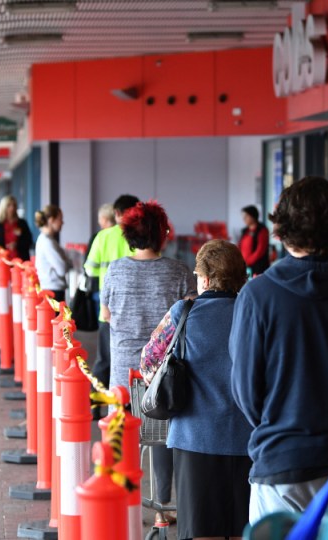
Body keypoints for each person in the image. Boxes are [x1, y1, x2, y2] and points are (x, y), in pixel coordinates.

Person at [229, 176, 328, 523]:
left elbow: (245, 390)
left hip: (282, 461)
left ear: (282, 227)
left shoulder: (258, 295)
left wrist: (281, 421)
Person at [141, 240, 253, 540]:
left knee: (202, 531)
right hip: (246, 439)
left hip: (194, 439)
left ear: (204, 278)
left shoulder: (184, 312)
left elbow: (148, 363)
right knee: (243, 528)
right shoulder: (253, 311)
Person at [101, 200, 196, 525]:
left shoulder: (115, 270)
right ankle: (162, 509)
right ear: (162, 234)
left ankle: (118, 502)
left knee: (120, 435)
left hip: (123, 375)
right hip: (162, 374)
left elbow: (106, 315)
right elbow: (190, 317)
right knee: (162, 436)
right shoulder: (179, 272)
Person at [85, 195, 139, 389]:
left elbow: (90, 269)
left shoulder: (103, 236)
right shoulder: (139, 236)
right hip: (134, 310)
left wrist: (106, 274)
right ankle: (130, 400)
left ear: (116, 213)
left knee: (105, 360)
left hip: (107, 309)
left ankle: (97, 400)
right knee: (134, 361)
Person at [0, 195, 33, 275]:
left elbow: (29, 241)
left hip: (20, 262)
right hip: (3, 262)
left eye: (14, 205)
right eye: (9, 205)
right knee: (3, 282)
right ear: (4, 207)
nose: (12, 208)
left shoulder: (22, 223)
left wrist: (17, 244)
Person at [34, 204, 72, 301]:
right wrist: (69, 263)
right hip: (53, 290)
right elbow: (62, 268)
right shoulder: (47, 242)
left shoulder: (47, 240)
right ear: (51, 220)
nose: (62, 222)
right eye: (60, 219)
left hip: (52, 288)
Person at [86, 204, 116, 319]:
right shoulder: (127, 235)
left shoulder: (101, 236)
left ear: (104, 219)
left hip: (103, 290)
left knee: (104, 323)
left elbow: (90, 269)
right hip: (125, 293)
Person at [238, 205, 270, 276]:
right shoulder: (245, 231)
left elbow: (260, 250)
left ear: (253, 216)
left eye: (246, 216)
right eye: (243, 216)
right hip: (245, 266)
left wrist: (248, 261)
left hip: (258, 267)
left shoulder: (262, 230)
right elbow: (240, 246)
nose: (244, 218)